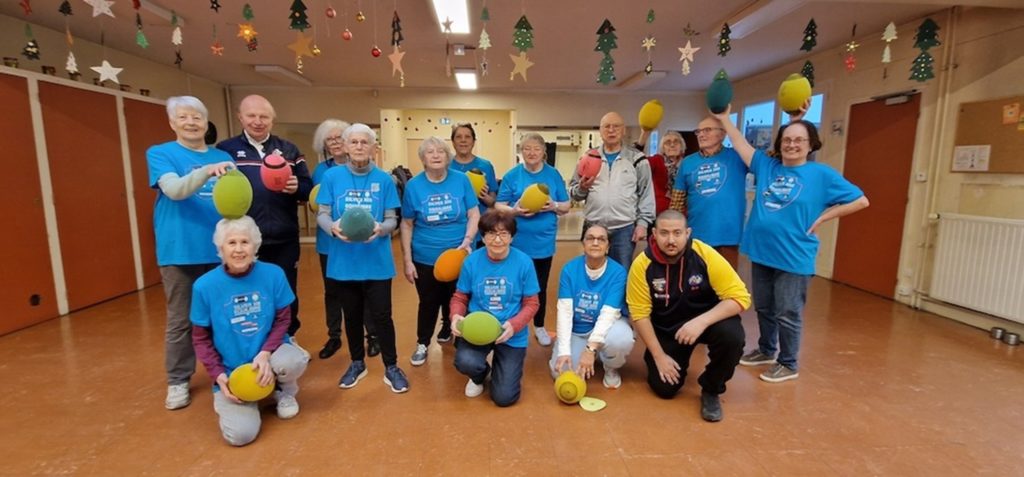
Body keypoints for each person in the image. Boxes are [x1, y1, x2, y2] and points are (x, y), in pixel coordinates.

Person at [713, 104, 869, 383]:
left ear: (810, 145)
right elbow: (740, 144)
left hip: (794, 255)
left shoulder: (821, 175)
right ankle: (766, 350)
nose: (792, 145)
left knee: (788, 311)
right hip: (761, 251)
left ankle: (788, 362)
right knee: (764, 307)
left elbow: (861, 200)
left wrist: (824, 217)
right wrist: (724, 119)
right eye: (786, 140)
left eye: (799, 140)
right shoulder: (767, 166)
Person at [146, 95, 235, 410]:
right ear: (172, 122)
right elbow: (174, 190)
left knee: (224, 317)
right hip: (179, 251)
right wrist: (208, 171)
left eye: (197, 117)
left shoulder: (223, 156)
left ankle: (224, 372)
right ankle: (178, 380)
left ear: (206, 122)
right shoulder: (161, 153)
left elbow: (234, 201)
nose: (191, 122)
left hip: (221, 252)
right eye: (183, 117)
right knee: (181, 320)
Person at [190, 216, 309, 446]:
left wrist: (265, 353)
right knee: (240, 436)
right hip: (232, 371)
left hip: (269, 356)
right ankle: (249, 397)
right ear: (221, 248)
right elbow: (200, 339)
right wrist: (218, 375)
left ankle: (281, 390)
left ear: (255, 245)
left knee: (293, 361)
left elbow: (283, 319)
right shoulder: (204, 286)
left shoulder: (273, 274)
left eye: (245, 242)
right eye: (231, 243)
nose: (238, 249)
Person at [627, 210, 750, 422]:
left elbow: (740, 298)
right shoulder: (642, 264)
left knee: (732, 336)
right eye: (664, 233)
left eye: (677, 233)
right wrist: (659, 356)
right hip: (668, 329)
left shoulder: (705, 254)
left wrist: (701, 322)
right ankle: (660, 358)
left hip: (706, 321)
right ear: (654, 234)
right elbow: (640, 314)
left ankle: (711, 388)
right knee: (665, 388)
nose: (671, 240)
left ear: (688, 233)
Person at [316, 123, 409, 393]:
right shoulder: (332, 177)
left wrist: (381, 229)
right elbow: (322, 213)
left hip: (377, 262)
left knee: (383, 316)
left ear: (373, 148)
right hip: (344, 262)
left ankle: (391, 366)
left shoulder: (384, 180)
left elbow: (392, 219)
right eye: (354, 142)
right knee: (352, 315)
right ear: (345, 147)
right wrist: (332, 228)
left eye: (364, 142)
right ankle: (357, 363)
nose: (359, 147)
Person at [216, 94, 312, 338]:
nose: (257, 121)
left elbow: (308, 189)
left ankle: (288, 337)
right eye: (251, 115)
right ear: (240, 117)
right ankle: (251, 338)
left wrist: (297, 187)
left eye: (264, 116)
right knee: (247, 294)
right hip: (243, 238)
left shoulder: (289, 149)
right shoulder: (225, 150)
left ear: (272, 120)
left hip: (284, 237)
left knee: (285, 290)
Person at [400, 137, 480, 366]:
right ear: (423, 158)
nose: (435, 155)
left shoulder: (461, 180)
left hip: (460, 253)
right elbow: (407, 224)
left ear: (448, 156)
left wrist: (468, 240)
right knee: (428, 301)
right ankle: (423, 343)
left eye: (440, 151)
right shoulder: (414, 186)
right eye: (430, 152)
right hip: (425, 256)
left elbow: (474, 213)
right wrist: (407, 260)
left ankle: (457, 335)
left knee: (459, 298)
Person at [450, 210, 539, 407]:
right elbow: (460, 297)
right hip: (478, 329)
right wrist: (455, 316)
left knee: (504, 398)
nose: (497, 240)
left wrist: (514, 325)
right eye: (491, 233)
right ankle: (480, 375)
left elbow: (532, 303)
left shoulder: (524, 262)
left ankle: (504, 370)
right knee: (465, 361)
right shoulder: (471, 262)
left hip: (510, 332)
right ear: (483, 237)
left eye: (504, 234)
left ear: (512, 237)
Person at [310, 119, 379, 360]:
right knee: (333, 292)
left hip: (364, 242)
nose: (336, 142)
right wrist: (331, 225)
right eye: (330, 139)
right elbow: (318, 206)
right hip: (331, 241)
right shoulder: (322, 172)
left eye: (339, 137)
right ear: (324, 144)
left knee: (365, 288)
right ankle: (334, 336)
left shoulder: (370, 171)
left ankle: (372, 335)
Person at [496, 133, 570, 346]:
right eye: (527, 148)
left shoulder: (553, 175)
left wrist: (554, 206)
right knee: (512, 285)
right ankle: (510, 324)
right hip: (517, 243)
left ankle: (539, 326)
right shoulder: (512, 175)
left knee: (539, 287)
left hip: (543, 243)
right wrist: (514, 211)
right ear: (521, 151)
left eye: (536, 148)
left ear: (543, 151)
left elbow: (566, 206)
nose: (531, 152)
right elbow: (499, 205)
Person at [549, 223, 634, 389]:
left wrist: (590, 349)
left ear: (608, 246)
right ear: (583, 243)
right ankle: (581, 350)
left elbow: (609, 313)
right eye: (590, 238)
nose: (595, 243)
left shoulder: (618, 272)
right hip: (578, 330)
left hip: (608, 327)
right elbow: (565, 312)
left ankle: (610, 366)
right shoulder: (569, 269)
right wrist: (564, 351)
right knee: (560, 372)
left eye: (601, 239)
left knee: (621, 339)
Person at [569, 112, 655, 269]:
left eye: (616, 126)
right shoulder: (587, 158)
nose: (611, 130)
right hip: (593, 225)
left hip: (624, 229)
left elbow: (646, 193)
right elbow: (574, 193)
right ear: (600, 131)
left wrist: (643, 223)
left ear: (624, 130)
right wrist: (582, 188)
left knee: (621, 272)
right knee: (592, 270)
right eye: (607, 126)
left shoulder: (638, 159)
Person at [670, 117, 748, 267]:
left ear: (722, 134)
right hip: (697, 236)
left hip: (728, 237)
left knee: (725, 280)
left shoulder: (738, 157)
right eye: (698, 131)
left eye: (707, 130)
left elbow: (769, 161)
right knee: (695, 279)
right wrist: (675, 234)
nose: (701, 135)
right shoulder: (687, 162)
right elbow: (676, 205)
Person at [448, 123, 498, 247]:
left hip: (480, 231)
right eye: (458, 137)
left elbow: (493, 202)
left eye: (467, 137)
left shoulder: (485, 166)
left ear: (474, 141)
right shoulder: (446, 166)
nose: (463, 140)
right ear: (453, 142)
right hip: (453, 231)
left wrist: (484, 197)